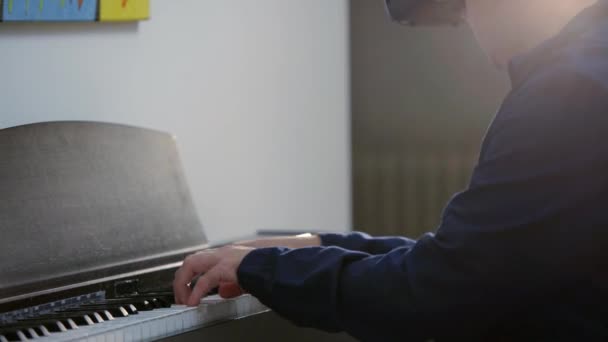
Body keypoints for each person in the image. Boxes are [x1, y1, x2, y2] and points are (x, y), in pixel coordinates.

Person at [174, 0, 608, 340]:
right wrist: (316, 245)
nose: (467, 25)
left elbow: (433, 294)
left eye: (461, 9)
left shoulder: (565, 94)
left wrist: (267, 269)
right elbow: (478, 261)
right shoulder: (585, 68)